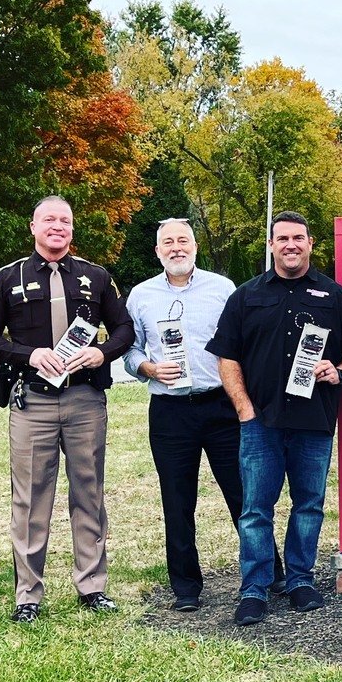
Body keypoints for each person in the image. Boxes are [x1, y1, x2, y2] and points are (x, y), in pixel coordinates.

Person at [0, 195, 136, 623]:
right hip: (34, 401)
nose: (57, 226)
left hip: (85, 400)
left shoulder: (97, 276)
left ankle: (92, 587)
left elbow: (124, 328)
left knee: (89, 491)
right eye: (49, 219)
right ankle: (28, 595)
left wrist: (102, 353)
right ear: (33, 226)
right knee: (30, 499)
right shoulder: (7, 277)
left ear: (72, 229)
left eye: (65, 220)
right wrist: (27, 355)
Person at [208, 212, 342, 626]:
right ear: (271, 245)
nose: (290, 245)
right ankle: (254, 589)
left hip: (312, 422)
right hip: (259, 422)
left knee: (309, 506)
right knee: (255, 510)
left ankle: (300, 580)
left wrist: (338, 371)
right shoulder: (246, 296)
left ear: (310, 243)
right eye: (282, 238)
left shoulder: (335, 297)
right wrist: (243, 408)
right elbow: (226, 357)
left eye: (298, 238)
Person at [124, 218, 282, 612]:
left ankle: (269, 572)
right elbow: (129, 350)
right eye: (168, 242)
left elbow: (241, 344)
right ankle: (186, 588)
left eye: (183, 240)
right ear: (157, 251)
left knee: (243, 495)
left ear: (195, 246)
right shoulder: (141, 296)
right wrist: (147, 368)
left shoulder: (222, 289)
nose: (176, 247)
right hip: (170, 410)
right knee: (177, 500)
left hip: (221, 405)